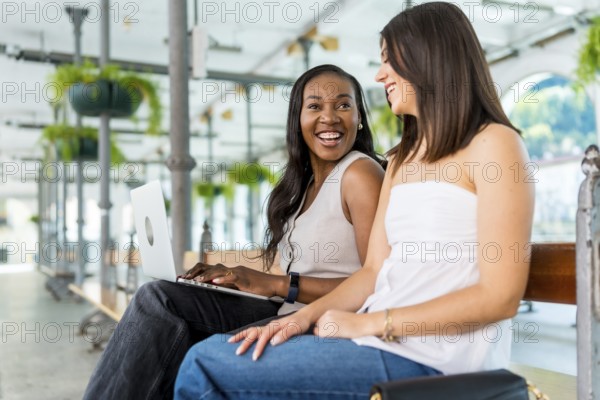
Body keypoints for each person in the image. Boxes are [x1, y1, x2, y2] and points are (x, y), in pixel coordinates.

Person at [174, 3, 535, 399]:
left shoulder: (496, 145)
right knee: (212, 351)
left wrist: (372, 323)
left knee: (205, 364)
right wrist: (302, 320)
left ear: (427, 58)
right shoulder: (403, 158)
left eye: (389, 61)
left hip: (435, 362)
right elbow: (374, 271)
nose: (380, 75)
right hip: (375, 342)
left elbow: (500, 297)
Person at [83, 64, 385, 400]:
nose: (329, 117)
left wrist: (276, 284)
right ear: (297, 121)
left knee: (187, 353)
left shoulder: (359, 173)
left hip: (324, 322)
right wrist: (240, 277)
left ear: (360, 117)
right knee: (158, 299)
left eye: (343, 105)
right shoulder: (304, 185)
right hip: (286, 309)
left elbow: (377, 283)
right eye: (314, 106)